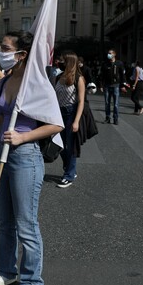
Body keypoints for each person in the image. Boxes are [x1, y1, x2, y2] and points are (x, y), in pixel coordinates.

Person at [0, 30, 63, 285]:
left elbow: (56, 123)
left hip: (25, 156)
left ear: (21, 54)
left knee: (26, 224)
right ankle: (6, 271)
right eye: (0, 47)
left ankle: (31, 283)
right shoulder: (6, 81)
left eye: (5, 48)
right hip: (2, 155)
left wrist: (23, 136)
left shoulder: (36, 82)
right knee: (5, 221)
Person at [54, 51, 86, 188]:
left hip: (71, 113)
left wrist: (76, 121)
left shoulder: (78, 78)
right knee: (59, 145)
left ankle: (69, 175)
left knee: (70, 145)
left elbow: (81, 101)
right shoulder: (58, 77)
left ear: (70, 62)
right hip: (58, 113)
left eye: (63, 60)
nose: (60, 62)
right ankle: (70, 169)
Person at [99, 49, 127, 125]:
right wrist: (101, 85)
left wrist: (123, 85)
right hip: (107, 86)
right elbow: (101, 76)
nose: (109, 55)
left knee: (116, 104)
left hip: (116, 86)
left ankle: (115, 118)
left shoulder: (119, 63)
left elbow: (122, 75)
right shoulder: (105, 64)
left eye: (110, 53)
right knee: (107, 103)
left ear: (114, 54)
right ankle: (107, 117)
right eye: (108, 53)